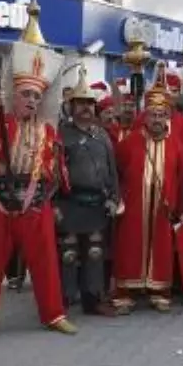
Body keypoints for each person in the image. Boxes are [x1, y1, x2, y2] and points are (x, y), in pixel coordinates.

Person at [0, 23, 76, 340]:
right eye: (26, 95)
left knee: (46, 263)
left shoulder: (48, 131)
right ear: (15, 95)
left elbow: (57, 168)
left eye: (37, 97)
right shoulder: (1, 120)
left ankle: (53, 314)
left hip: (34, 203)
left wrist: (41, 198)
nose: (32, 101)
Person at [112, 76, 183, 314]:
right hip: (135, 205)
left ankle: (159, 291)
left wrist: (177, 204)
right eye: (152, 115)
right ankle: (127, 292)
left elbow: (181, 176)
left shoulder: (176, 143)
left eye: (161, 115)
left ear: (168, 117)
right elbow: (118, 170)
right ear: (145, 116)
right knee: (130, 245)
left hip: (163, 207)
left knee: (161, 247)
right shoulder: (130, 142)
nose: (157, 119)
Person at [55, 71, 120, 317]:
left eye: (89, 104)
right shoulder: (61, 135)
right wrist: (54, 205)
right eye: (81, 103)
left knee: (95, 253)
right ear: (72, 106)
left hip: (96, 203)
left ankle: (93, 300)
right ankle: (62, 301)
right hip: (69, 203)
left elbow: (112, 170)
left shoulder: (102, 135)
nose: (85, 108)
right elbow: (52, 172)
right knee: (69, 254)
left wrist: (114, 198)